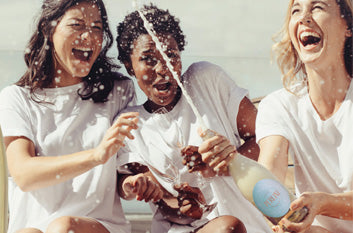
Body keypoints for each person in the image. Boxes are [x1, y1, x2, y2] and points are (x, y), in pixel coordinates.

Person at [115, 4, 273, 233]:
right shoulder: (132, 124)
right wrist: (189, 208)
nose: (163, 68)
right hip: (187, 230)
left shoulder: (205, 80)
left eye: (170, 55)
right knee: (227, 228)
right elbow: (164, 204)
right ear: (130, 66)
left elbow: (264, 140)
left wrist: (225, 163)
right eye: (148, 59)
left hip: (248, 225)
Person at [0, 0, 138, 232]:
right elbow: (23, 174)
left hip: (97, 225)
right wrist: (96, 156)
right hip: (34, 227)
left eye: (97, 27)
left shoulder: (119, 90)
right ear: (49, 29)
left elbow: (126, 175)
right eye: (77, 25)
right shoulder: (17, 98)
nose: (89, 36)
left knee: (64, 227)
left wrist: (135, 182)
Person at [255, 0, 353, 232]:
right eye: (296, 10)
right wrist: (233, 162)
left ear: (348, 26)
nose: (304, 18)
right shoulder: (279, 106)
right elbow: (269, 177)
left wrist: (322, 204)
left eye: (317, 7)